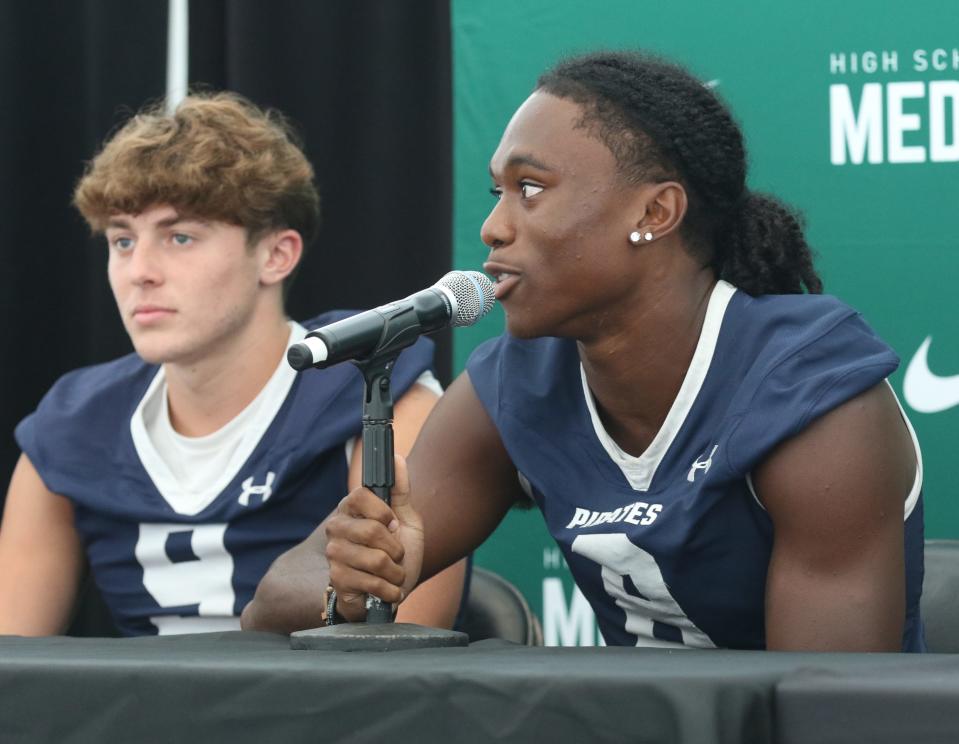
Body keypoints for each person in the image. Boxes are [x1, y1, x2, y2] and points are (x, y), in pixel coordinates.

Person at [321, 51, 925, 651]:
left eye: (530, 189)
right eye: (497, 192)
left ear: (653, 212)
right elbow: (274, 598)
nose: (493, 227)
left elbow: (822, 703)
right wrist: (354, 578)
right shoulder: (517, 380)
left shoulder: (809, 392)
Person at [0, 92, 465, 636]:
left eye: (179, 236)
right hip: (134, 718)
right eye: (122, 240)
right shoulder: (72, 423)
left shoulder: (378, 389)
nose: (139, 271)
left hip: (318, 716)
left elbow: (398, 654)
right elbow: (13, 662)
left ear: (276, 255)